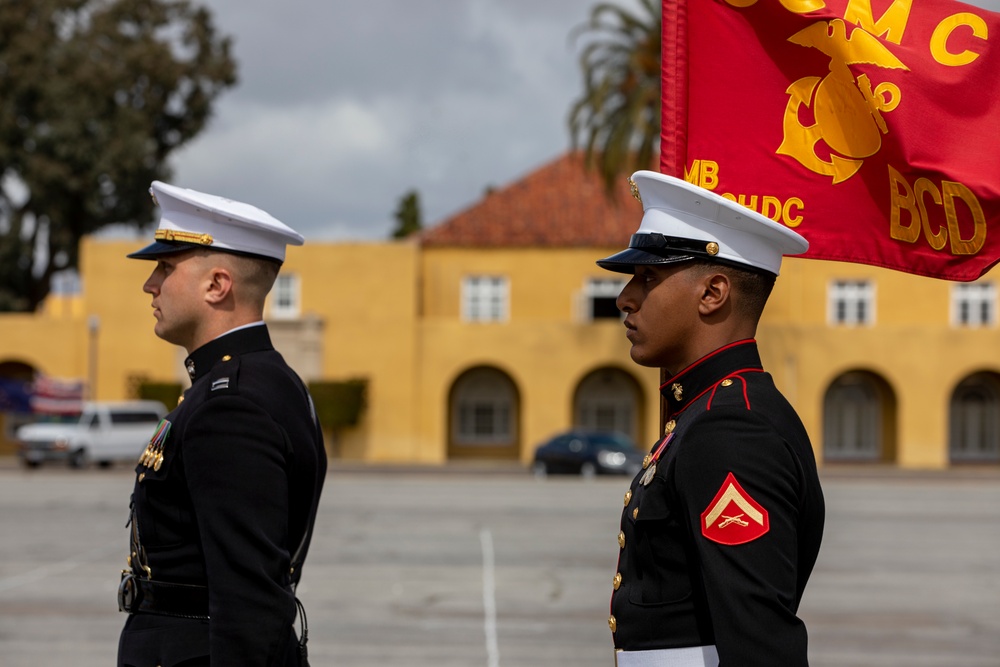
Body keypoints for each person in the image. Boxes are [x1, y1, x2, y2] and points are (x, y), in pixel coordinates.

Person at [597, 171, 825, 667]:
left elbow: (761, 647)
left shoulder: (731, 430)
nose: (625, 298)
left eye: (648, 278)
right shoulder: (711, 413)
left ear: (713, 293)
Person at [116, 181, 327, 667]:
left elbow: (248, 602)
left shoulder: (230, 404)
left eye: (166, 268)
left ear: (217, 285)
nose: (150, 285)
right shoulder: (261, 382)